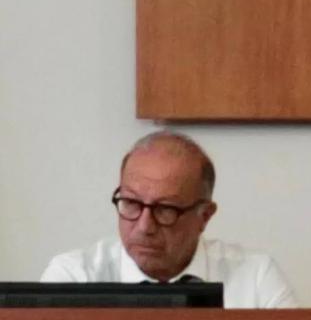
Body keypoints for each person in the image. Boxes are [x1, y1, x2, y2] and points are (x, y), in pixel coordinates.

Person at [41, 130, 297, 309]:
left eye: (165, 209)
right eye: (131, 203)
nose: (144, 227)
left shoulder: (255, 279)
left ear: (204, 216)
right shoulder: (74, 278)